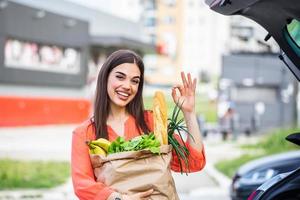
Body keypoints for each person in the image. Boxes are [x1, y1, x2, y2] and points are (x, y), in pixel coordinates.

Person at [71, 49, 206, 200]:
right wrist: (120, 199)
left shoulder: (153, 122)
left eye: (135, 81)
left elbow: (194, 163)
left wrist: (189, 112)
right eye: (120, 77)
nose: (128, 86)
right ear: (105, 77)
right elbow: (82, 185)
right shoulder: (85, 133)